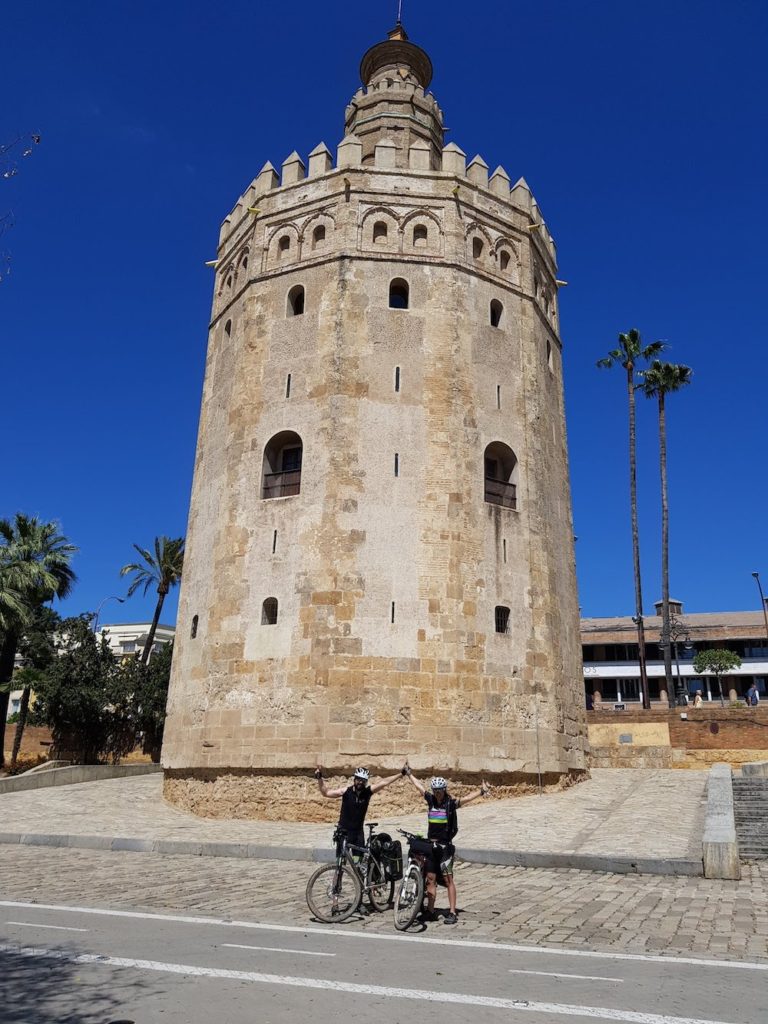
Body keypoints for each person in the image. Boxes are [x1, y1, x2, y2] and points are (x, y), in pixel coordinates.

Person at [403, 766, 489, 925]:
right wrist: (410, 775)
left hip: (445, 848)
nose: (437, 793)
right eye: (435, 790)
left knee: (448, 880)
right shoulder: (431, 801)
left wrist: (481, 792)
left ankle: (452, 912)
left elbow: (466, 799)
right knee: (430, 879)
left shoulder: (450, 804)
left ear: (444, 790)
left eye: (440, 790)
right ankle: (430, 911)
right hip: (431, 846)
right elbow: (420, 788)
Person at [314, 763, 403, 856]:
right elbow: (326, 792)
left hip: (358, 834)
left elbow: (384, 782)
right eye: (358, 779)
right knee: (341, 861)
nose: (360, 782)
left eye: (363, 780)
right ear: (354, 779)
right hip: (343, 832)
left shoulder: (368, 792)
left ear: (366, 782)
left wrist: (401, 774)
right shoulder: (346, 792)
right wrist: (319, 778)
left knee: (358, 863)